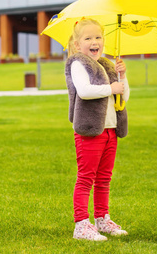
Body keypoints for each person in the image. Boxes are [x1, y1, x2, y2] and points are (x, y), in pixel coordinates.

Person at [64, 18, 130, 241]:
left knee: (104, 178)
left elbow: (124, 96)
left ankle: (102, 219)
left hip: (110, 129)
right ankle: (81, 224)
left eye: (98, 37)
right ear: (77, 44)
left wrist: (123, 77)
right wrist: (111, 87)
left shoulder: (107, 65)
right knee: (86, 177)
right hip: (90, 130)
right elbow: (84, 91)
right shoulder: (78, 64)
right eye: (88, 38)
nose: (94, 42)